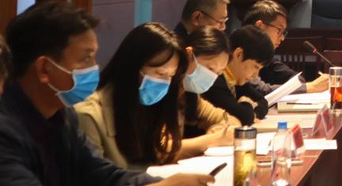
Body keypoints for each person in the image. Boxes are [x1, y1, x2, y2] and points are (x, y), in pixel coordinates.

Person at [0, 1, 213, 186]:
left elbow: (100, 175)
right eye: (86, 59)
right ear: (44, 69)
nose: (94, 67)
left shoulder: (62, 115)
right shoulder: (6, 131)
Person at [74, 23, 232, 170]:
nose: (166, 84)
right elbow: (100, 181)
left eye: (171, 76)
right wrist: (212, 140)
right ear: (133, 66)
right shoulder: (90, 115)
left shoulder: (152, 102)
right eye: (160, 73)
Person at [242, 0, 327, 95]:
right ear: (260, 26)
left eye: (283, 32)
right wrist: (310, 87)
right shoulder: (241, 51)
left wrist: (304, 87)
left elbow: (296, 79)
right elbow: (260, 91)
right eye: (279, 30)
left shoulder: (264, 55)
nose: (282, 38)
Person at [202, 25, 273, 126]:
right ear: (238, 54)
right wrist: (247, 104)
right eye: (255, 67)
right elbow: (243, 117)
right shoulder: (215, 80)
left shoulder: (237, 79)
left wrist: (249, 112)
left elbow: (263, 103)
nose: (256, 75)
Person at [177, 26, 241, 139]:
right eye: (210, 68)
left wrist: (220, 127)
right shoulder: (162, 92)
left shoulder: (189, 96)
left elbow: (231, 120)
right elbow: (163, 147)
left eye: (218, 72)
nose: (212, 77)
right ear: (189, 54)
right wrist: (211, 140)